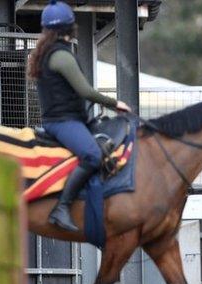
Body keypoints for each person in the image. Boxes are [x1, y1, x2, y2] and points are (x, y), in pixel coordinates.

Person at [28, 0, 131, 232]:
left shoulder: (48, 52)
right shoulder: (61, 56)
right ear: (70, 27)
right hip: (62, 123)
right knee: (93, 156)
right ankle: (62, 208)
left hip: (68, 119)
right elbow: (84, 91)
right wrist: (116, 104)